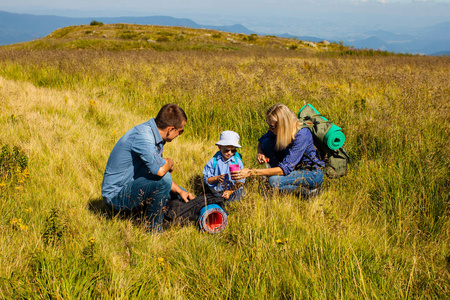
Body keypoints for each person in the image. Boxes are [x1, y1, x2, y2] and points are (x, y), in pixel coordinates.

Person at [101, 104, 194, 231]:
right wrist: (169, 162)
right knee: (164, 181)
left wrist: (179, 191)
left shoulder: (154, 135)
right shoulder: (144, 137)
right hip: (115, 196)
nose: (179, 134)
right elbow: (160, 172)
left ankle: (197, 213)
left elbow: (157, 171)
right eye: (180, 131)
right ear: (170, 129)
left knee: (180, 193)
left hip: (132, 185)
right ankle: (153, 228)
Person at [231, 104, 325, 196]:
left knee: (274, 181)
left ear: (283, 125)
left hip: (312, 173)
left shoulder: (302, 135)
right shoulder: (278, 130)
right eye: (268, 124)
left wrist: (251, 172)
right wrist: (260, 152)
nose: (269, 128)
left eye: (272, 126)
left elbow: (285, 169)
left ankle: (309, 192)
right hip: (294, 168)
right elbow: (262, 140)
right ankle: (275, 177)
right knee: (267, 143)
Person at [202, 131, 245, 202]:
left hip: (233, 190)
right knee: (211, 200)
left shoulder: (237, 161)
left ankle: (228, 205)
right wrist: (216, 178)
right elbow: (207, 180)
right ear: (219, 147)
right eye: (226, 150)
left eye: (233, 150)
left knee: (239, 195)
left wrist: (230, 191)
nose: (229, 153)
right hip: (217, 191)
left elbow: (241, 181)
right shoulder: (214, 161)